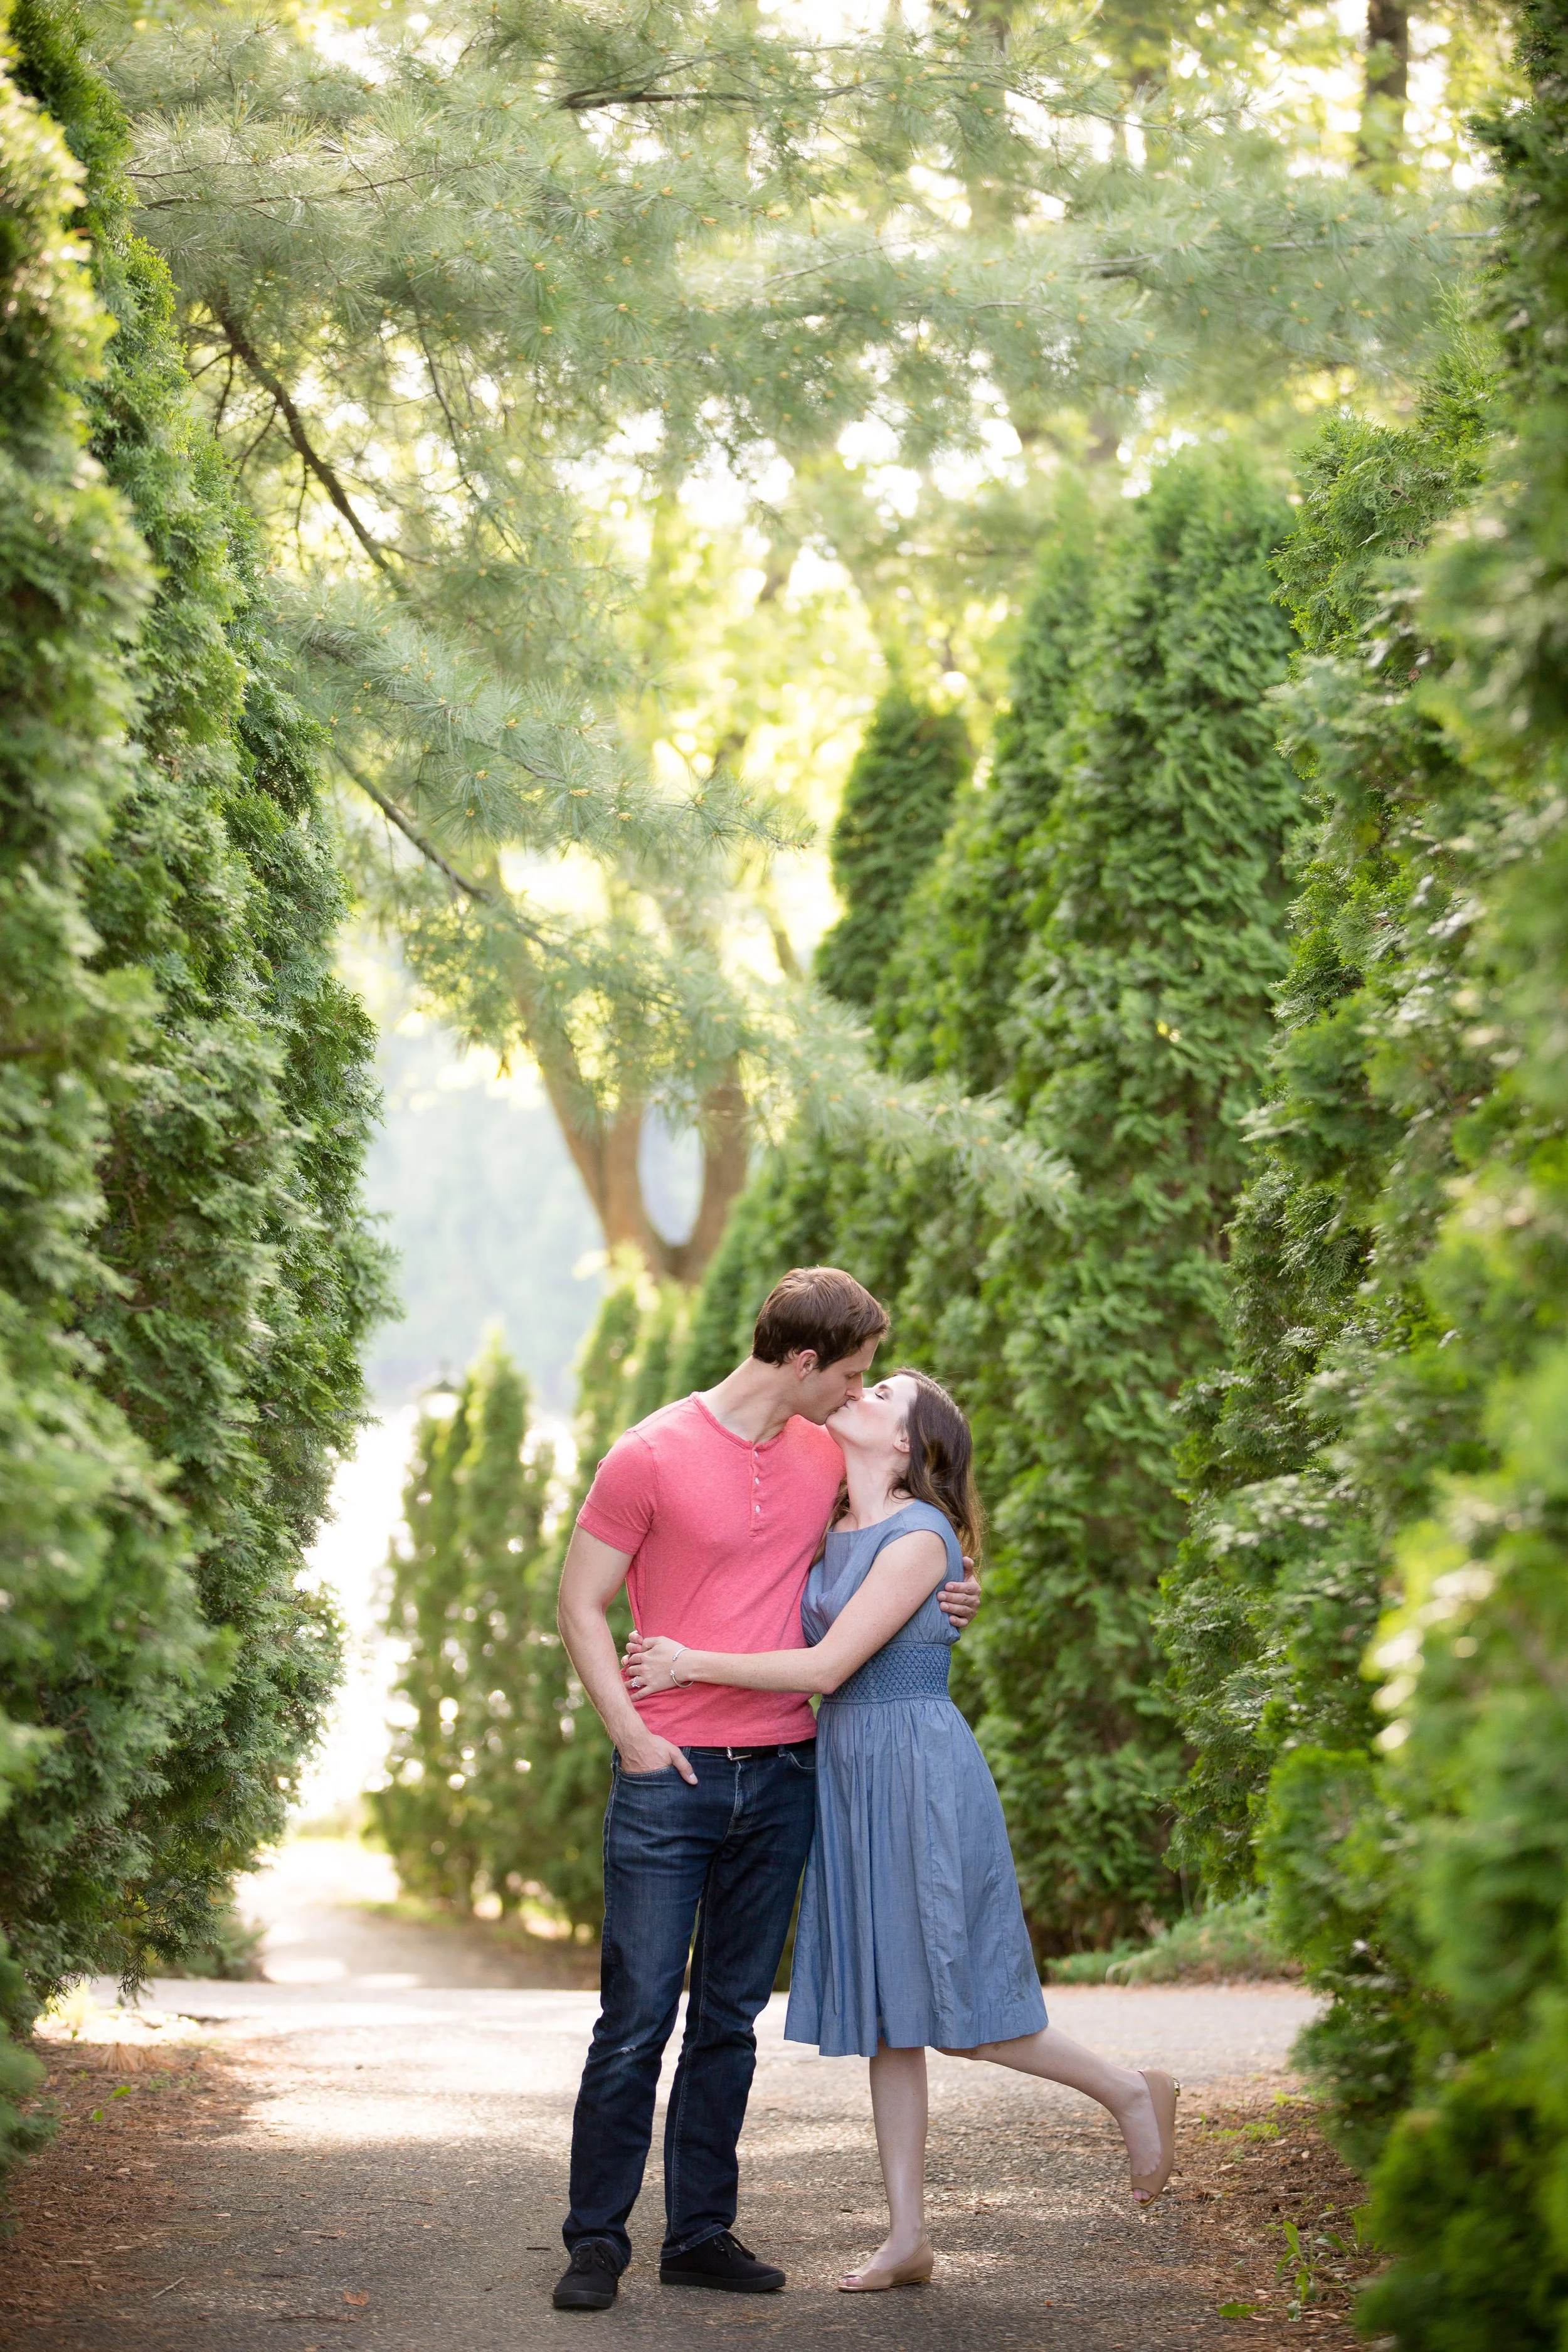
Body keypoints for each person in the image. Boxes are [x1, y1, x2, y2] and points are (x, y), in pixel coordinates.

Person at [625, 1365, 1179, 2293]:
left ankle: (1129, 2088)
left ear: (909, 1447)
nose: (863, 1393)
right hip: (850, 1777)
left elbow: (831, 1663)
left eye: (885, 1392)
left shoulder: (921, 1537)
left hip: (917, 1776)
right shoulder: (836, 1523)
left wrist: (687, 1662)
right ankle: (908, 2235)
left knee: (957, 2007)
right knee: (892, 2017)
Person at [549, 1268, 982, 2313]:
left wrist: (953, 1592)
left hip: (787, 1771)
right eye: (853, 1372)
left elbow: (893, 1547)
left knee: (730, 2018)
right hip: (672, 1777)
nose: (858, 1390)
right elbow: (579, 1600)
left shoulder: (822, 1456)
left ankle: (699, 2231)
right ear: (802, 1364)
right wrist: (632, 1734)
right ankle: (596, 2240)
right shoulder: (648, 1453)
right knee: (636, 2017)